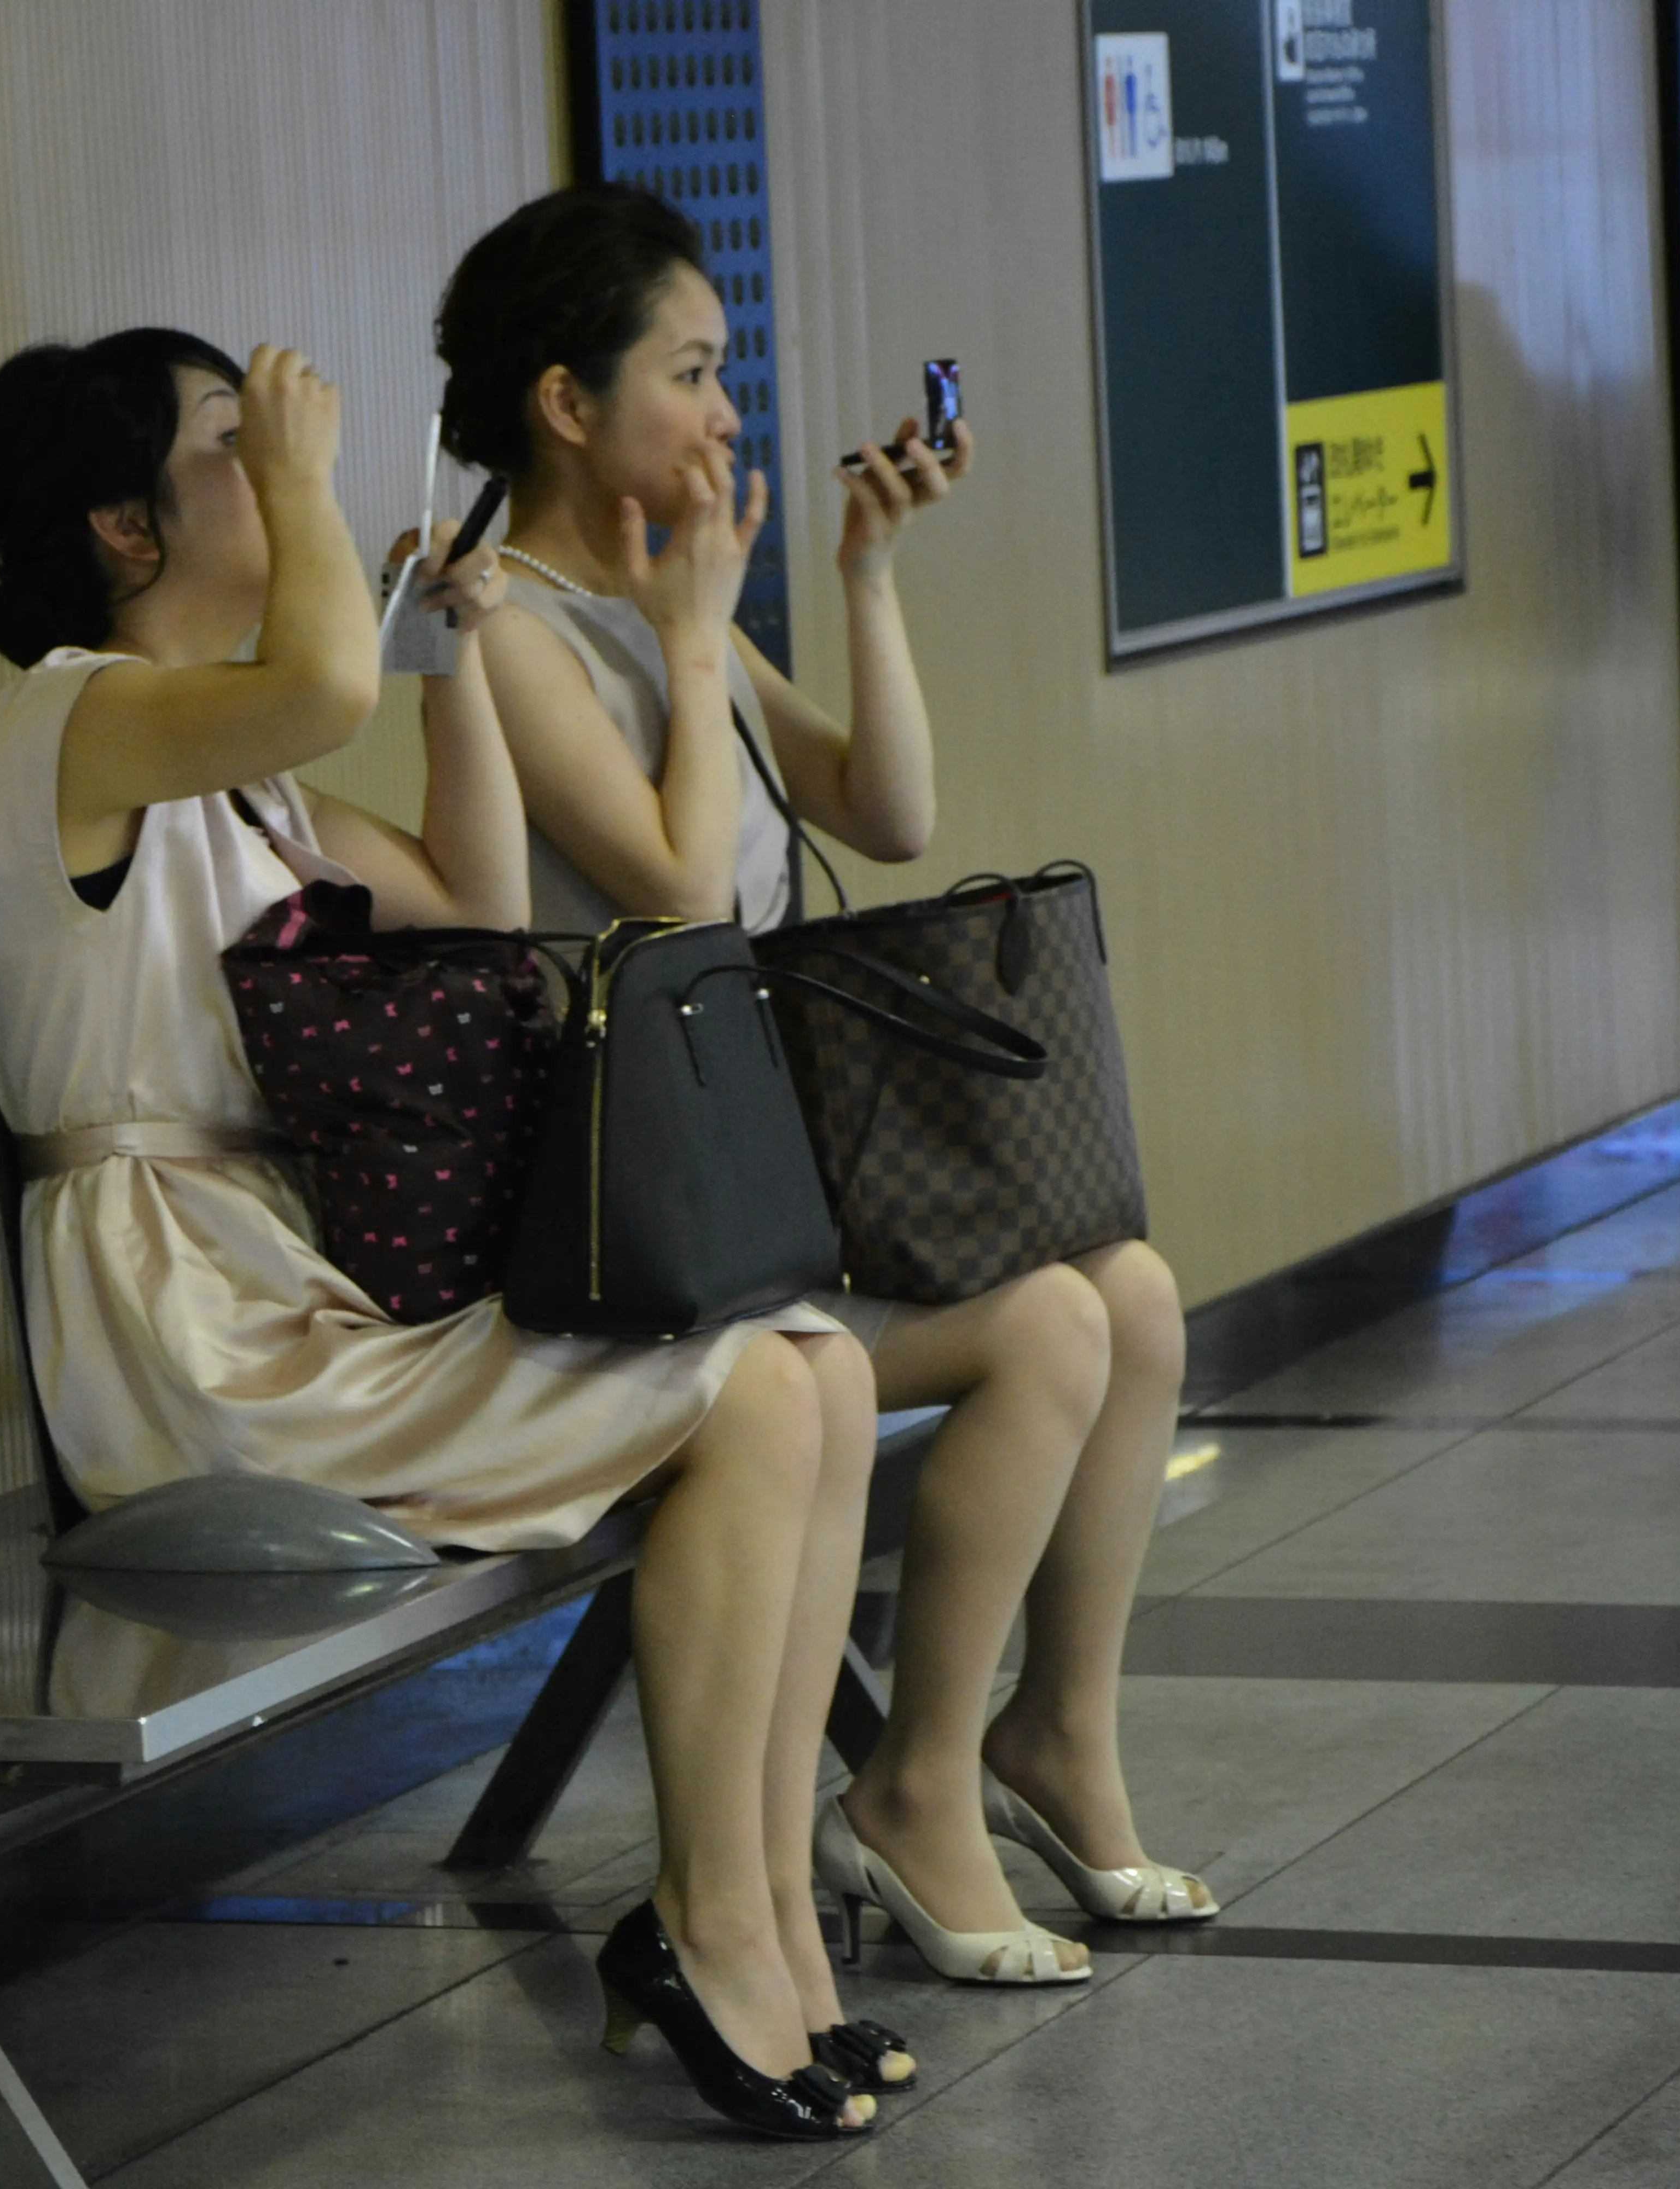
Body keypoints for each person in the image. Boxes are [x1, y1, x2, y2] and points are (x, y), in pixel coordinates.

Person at [0, 326, 897, 2139]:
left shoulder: (236, 778)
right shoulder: (76, 718)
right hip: (187, 1339)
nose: (283, 462)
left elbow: (469, 897)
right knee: (764, 1392)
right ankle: (709, 1927)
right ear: (124, 528)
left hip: (273, 1292)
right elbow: (312, 685)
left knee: (814, 1375)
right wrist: (328, 543)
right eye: (232, 445)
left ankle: (769, 1916)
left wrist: (454, 655)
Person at [436, 184, 1215, 1993]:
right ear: (567, 401)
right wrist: (698, 636)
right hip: (634, 1244)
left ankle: (1055, 1740)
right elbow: (682, 901)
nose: (729, 416)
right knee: (1045, 1332)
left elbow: (890, 813)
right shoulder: (511, 632)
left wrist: (861, 575)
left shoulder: (642, 604)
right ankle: (920, 1781)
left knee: (1139, 1297)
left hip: (754, 1199)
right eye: (693, 372)